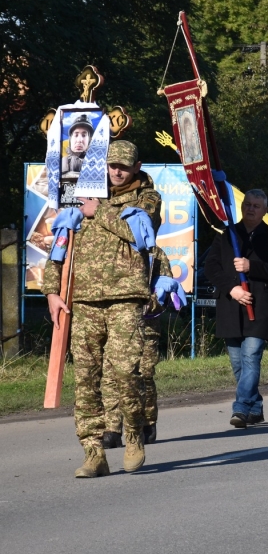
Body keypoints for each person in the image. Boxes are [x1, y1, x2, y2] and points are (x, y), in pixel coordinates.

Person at [45, 140, 159, 477]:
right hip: (84, 301)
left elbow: (141, 234)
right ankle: (93, 451)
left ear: (137, 167)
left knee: (126, 373)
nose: (118, 171)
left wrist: (100, 211)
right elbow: (60, 245)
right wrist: (51, 291)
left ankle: (134, 432)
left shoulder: (146, 199)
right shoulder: (82, 196)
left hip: (126, 297)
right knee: (86, 379)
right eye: (112, 165)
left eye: (124, 165)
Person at [205, 188, 268, 430]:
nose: (251, 208)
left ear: (264, 211)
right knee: (238, 363)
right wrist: (232, 288)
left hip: (259, 306)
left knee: (251, 356)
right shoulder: (227, 234)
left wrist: (252, 266)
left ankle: (241, 407)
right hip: (231, 306)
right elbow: (212, 267)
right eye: (248, 204)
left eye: (256, 206)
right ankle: (255, 406)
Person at [101, 247, 173, 448]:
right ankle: (112, 429)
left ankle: (147, 422)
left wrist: (146, 303)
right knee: (110, 376)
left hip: (145, 326)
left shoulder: (154, 254)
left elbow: (162, 293)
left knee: (142, 376)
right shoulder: (110, 248)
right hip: (113, 327)